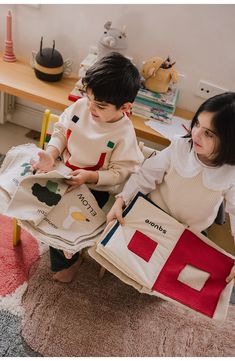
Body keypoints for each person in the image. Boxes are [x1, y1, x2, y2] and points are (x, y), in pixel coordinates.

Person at [33, 52, 144, 282]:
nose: (91, 108)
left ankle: (70, 256)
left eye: (100, 106)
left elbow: (121, 172)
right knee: (38, 200)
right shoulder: (81, 107)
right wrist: (52, 153)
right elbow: (62, 130)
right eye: (89, 98)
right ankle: (64, 246)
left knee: (67, 219)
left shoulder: (124, 134)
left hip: (93, 187)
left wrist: (90, 176)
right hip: (63, 169)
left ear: (124, 107)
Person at [107, 92, 235, 283]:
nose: (196, 133)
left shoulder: (230, 174)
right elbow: (145, 175)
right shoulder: (180, 148)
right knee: (130, 262)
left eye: (208, 133)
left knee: (166, 276)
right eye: (197, 124)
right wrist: (121, 199)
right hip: (152, 217)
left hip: (189, 232)